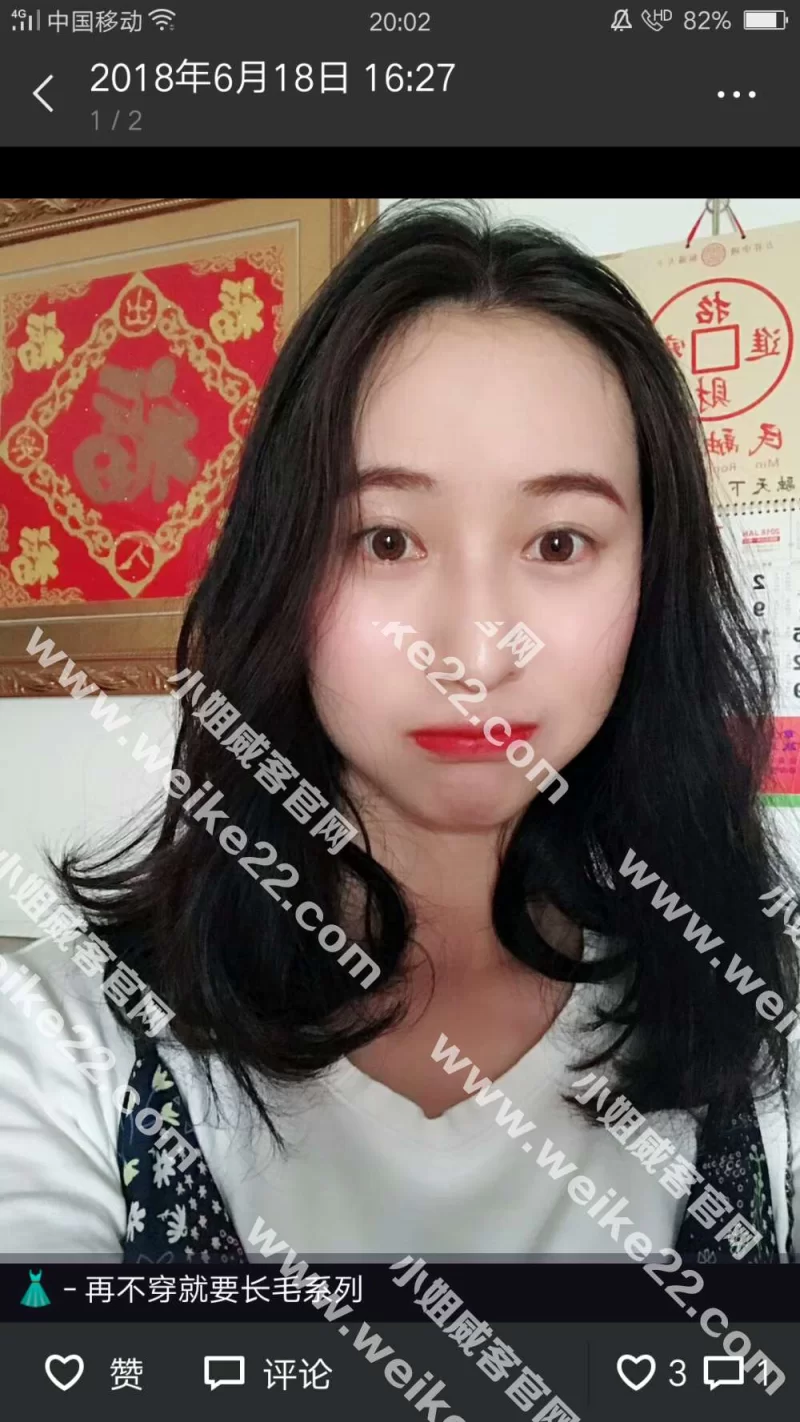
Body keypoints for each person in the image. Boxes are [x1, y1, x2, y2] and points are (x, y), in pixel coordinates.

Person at [1, 198, 798, 1265]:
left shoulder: (756, 1014)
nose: (474, 652)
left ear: (650, 584)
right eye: (385, 540)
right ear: (279, 571)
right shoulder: (64, 1045)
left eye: (559, 542)